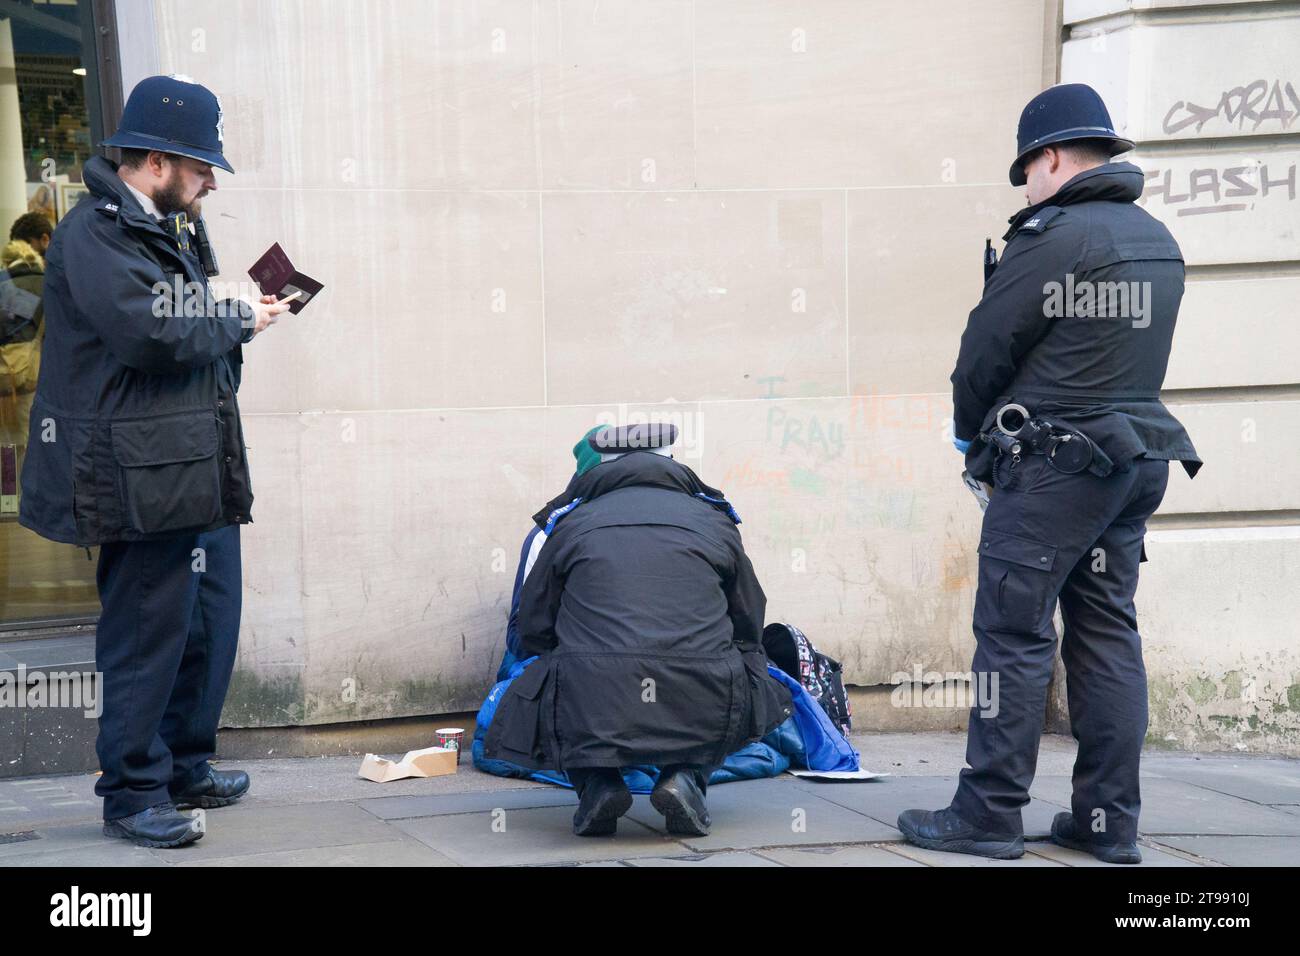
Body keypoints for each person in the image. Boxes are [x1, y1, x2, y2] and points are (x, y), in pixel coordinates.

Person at [897, 83, 1201, 863]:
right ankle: (1109, 824)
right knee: (1105, 638)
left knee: (1012, 634)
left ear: (1052, 157)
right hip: (1135, 463)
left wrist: (974, 439)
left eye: (1027, 169)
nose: (1026, 185)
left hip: (1056, 471)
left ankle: (988, 813)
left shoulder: (1055, 235)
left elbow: (984, 351)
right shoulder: (1156, 236)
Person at [19, 75, 294, 848]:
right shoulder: (94, 233)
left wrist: (235, 308)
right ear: (153, 159)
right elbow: (150, 333)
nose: (210, 179)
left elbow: (183, 318)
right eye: (200, 166)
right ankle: (134, 794)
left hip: (192, 465)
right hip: (134, 478)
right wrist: (239, 318)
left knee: (206, 625)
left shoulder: (168, 224)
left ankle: (183, 765)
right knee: (146, 636)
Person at [484, 423, 793, 836]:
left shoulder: (570, 523)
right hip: (702, 688)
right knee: (750, 663)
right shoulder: (714, 520)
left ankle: (598, 784)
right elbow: (749, 618)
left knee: (546, 671)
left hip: (593, 690)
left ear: (599, 468)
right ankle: (685, 776)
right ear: (670, 461)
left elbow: (534, 627)